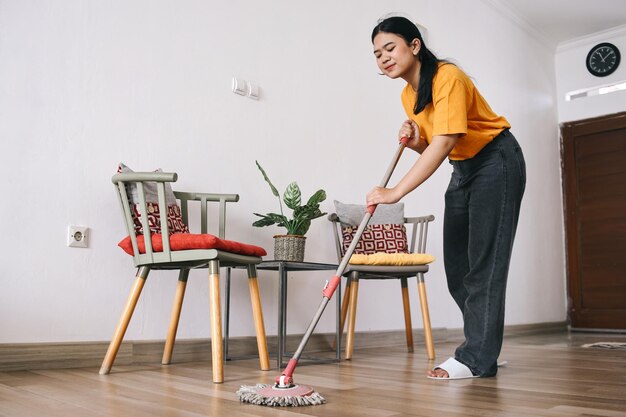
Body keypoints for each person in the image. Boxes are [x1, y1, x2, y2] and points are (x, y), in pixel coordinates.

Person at [366, 16, 526, 379]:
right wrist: (413, 140)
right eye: (377, 54)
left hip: (496, 160)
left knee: (485, 264)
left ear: (415, 45)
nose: (384, 58)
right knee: (458, 267)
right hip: (464, 168)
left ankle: (476, 357)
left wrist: (396, 192)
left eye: (390, 48)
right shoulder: (409, 95)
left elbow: (445, 141)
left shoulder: (448, 77)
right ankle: (485, 348)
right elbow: (432, 143)